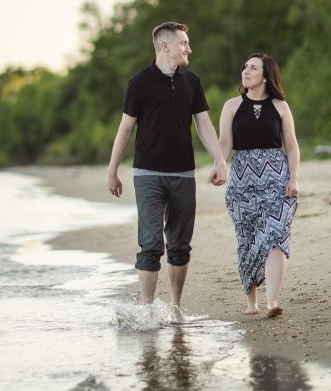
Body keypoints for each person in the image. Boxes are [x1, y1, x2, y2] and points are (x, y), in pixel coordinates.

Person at [107, 21, 227, 315]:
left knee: (180, 245)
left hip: (183, 174)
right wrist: (113, 170)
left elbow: (203, 124)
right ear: (165, 45)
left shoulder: (192, 81)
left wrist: (220, 159)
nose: (189, 48)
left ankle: (175, 308)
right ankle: (147, 311)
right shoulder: (139, 82)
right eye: (184, 43)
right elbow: (125, 129)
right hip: (147, 174)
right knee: (150, 244)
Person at [219, 53, 300, 318]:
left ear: (266, 76)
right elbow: (224, 144)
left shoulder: (280, 106)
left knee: (276, 235)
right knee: (247, 241)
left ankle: (272, 301)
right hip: (242, 182)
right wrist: (220, 166)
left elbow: (291, 146)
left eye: (253, 68)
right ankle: (251, 302)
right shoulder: (231, 105)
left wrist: (294, 178)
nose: (246, 71)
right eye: (245, 67)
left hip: (277, 180)